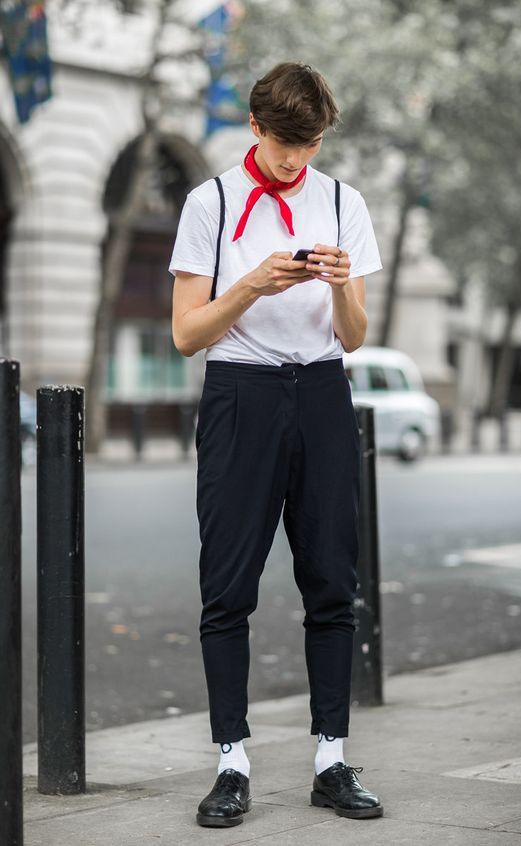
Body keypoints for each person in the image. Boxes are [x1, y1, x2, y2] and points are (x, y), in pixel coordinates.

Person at [168, 61, 384, 828]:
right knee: (227, 587)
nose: (297, 161)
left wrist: (337, 283)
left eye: (312, 144)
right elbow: (187, 334)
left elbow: (355, 337)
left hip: (323, 394)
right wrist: (253, 285)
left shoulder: (342, 201)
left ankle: (331, 758)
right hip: (240, 396)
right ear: (255, 128)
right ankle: (232, 762)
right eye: (286, 143)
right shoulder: (212, 202)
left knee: (333, 580)